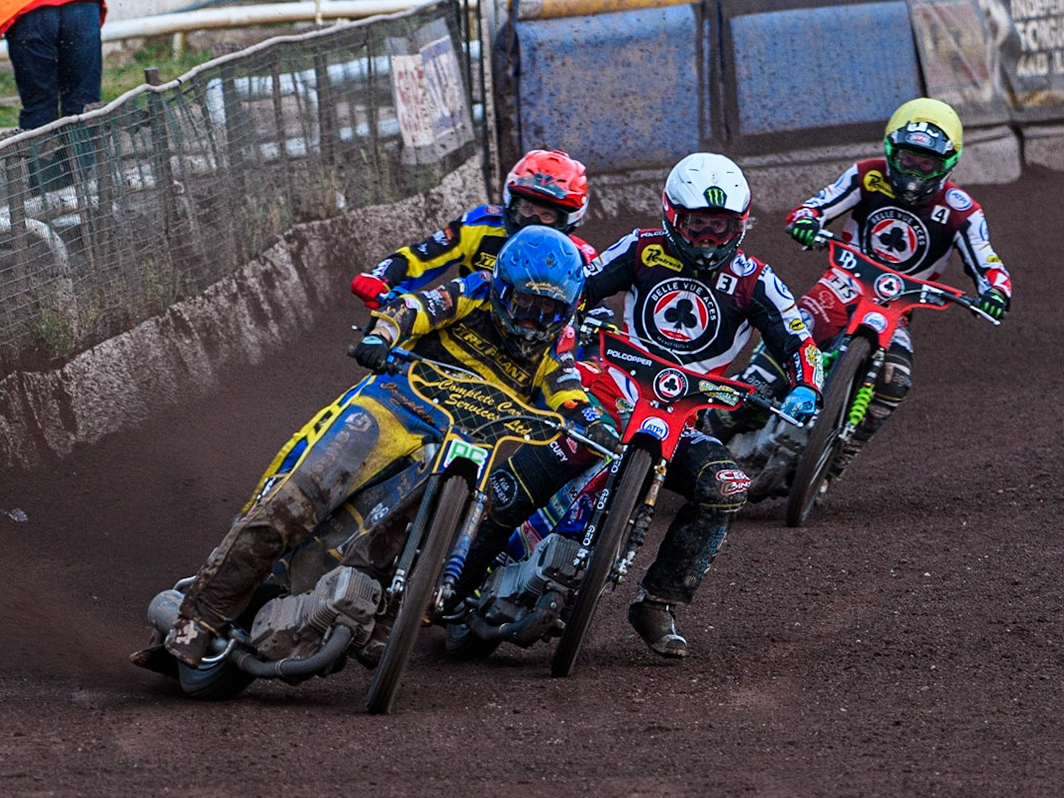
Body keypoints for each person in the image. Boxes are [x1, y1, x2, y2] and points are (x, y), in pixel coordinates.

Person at [163, 226, 619, 668]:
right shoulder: (474, 290)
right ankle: (199, 618)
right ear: (502, 290)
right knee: (298, 501)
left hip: (462, 443)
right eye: (524, 305)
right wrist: (380, 337)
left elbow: (567, 386)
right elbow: (414, 308)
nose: (534, 322)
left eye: (549, 311)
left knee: (390, 540)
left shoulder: (557, 341)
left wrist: (591, 423)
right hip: (394, 407)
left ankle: (373, 614)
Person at [457, 152, 824, 660]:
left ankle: (658, 601)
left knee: (726, 485)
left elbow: (801, 342)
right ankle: (451, 586)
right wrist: (569, 325)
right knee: (530, 471)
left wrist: (808, 386)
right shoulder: (641, 249)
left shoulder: (755, 279)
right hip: (610, 387)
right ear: (673, 215)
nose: (708, 239)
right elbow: (578, 287)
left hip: (683, 415)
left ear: (741, 225)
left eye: (721, 227)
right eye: (698, 225)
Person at [730, 97, 1012, 485]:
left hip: (897, 308)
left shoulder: (962, 210)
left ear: (947, 162)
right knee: (791, 337)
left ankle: (838, 457)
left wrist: (995, 291)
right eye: (908, 159)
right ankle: (718, 420)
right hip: (840, 285)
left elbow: (987, 259)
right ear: (891, 150)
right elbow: (816, 205)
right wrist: (806, 221)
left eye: (926, 162)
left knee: (896, 378)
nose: (914, 171)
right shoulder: (867, 176)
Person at [350, 149, 597, 309]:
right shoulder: (481, 225)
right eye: (527, 208)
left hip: (533, 353)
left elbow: (599, 318)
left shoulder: (582, 259)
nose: (532, 220)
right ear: (512, 203)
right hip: (463, 329)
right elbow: (421, 255)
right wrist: (381, 278)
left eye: (546, 214)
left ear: (567, 220)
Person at [0, 0, 106, 130]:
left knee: (39, 106)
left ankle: (42, 151)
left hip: (27, 10)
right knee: (84, 101)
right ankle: (86, 151)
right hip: (81, 8)